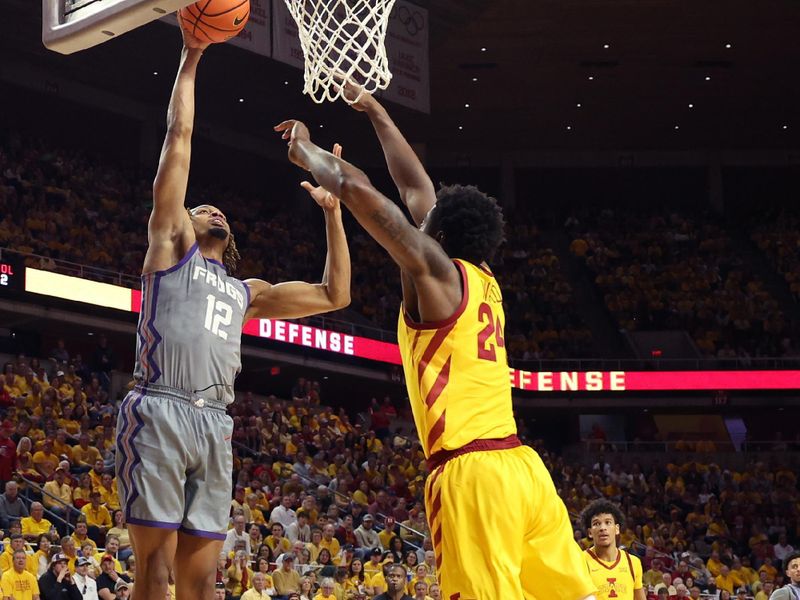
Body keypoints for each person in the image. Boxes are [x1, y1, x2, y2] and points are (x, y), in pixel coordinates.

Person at [275, 90, 596, 600]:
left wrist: (308, 153)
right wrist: (376, 112)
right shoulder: (483, 277)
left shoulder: (437, 274)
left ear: (438, 234)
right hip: (524, 470)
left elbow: (364, 193)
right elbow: (415, 186)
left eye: (427, 222)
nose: (420, 216)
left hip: (473, 475)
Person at [115, 26, 350, 600]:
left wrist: (334, 215)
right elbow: (180, 135)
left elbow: (333, 294)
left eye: (217, 209)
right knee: (155, 570)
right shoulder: (171, 247)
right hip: (161, 406)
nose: (210, 208)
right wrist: (191, 57)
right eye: (200, 207)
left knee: (202, 580)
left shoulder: (249, 291)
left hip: (216, 422)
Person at [581, 499, 645, 600]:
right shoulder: (580, 562)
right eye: (596, 524)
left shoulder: (633, 562)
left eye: (608, 522)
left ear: (617, 529)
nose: (603, 528)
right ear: (589, 532)